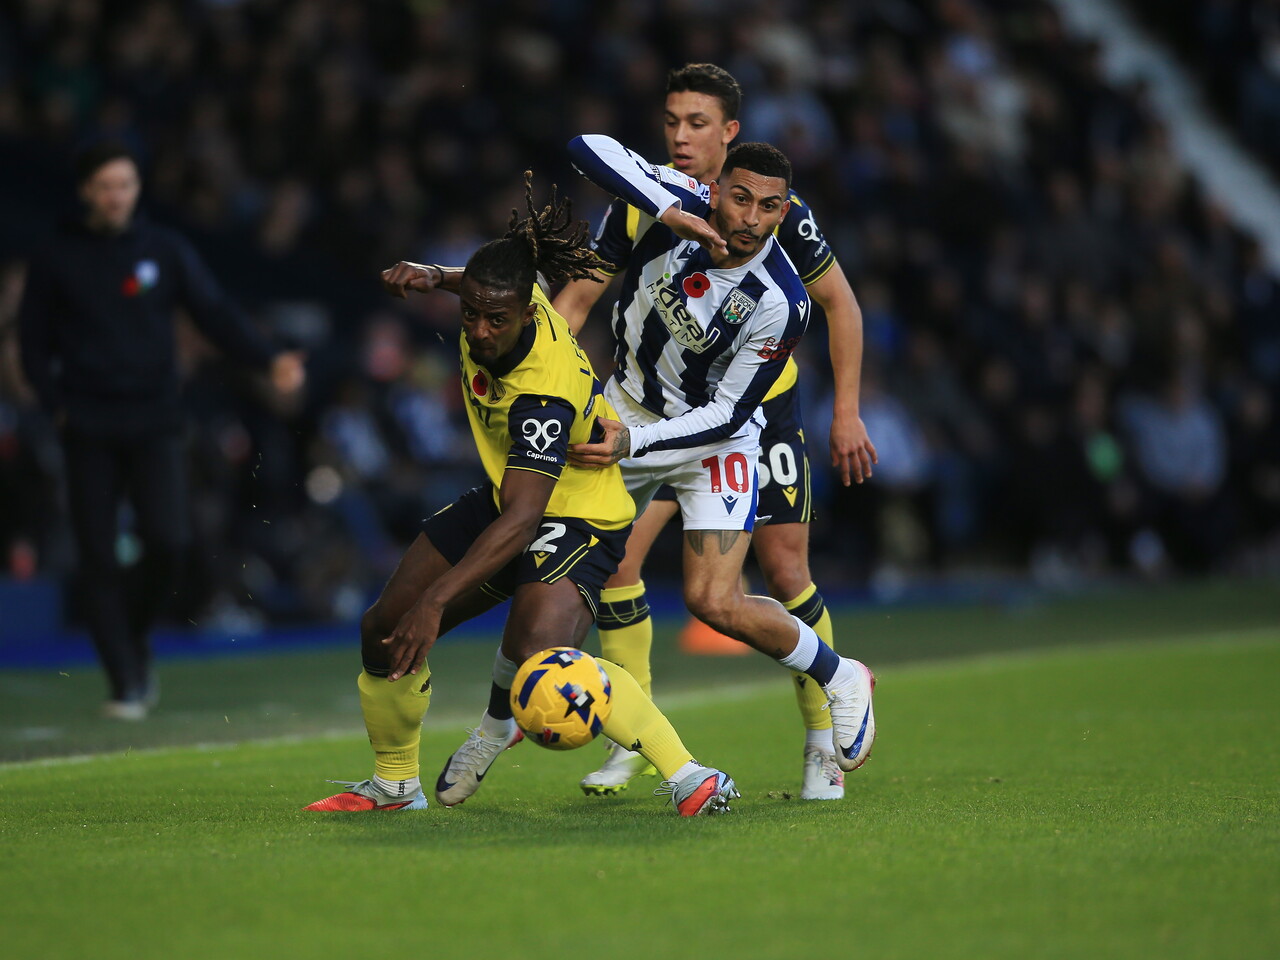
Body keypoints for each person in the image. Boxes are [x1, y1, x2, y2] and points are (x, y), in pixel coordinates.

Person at [304, 177, 738, 817]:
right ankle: (395, 785)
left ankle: (691, 776)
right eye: (470, 313)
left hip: (579, 512)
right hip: (513, 490)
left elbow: (527, 519)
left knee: (547, 661)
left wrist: (438, 602)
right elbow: (488, 282)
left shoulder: (542, 392)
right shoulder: (505, 295)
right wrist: (434, 275)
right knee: (384, 628)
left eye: (495, 319)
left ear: (529, 315)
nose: (480, 330)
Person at [554, 64, 877, 800]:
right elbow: (576, 297)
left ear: (730, 135)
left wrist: (847, 410)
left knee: (784, 573)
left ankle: (824, 737)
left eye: (697, 124)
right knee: (617, 562)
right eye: (671, 122)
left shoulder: (778, 214)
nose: (680, 136)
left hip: (754, 414)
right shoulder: (647, 200)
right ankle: (631, 739)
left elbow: (841, 306)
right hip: (651, 413)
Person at [17, 141, 305, 720]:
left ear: (137, 188)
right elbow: (32, 342)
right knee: (97, 553)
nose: (115, 196)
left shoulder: (163, 250)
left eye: (124, 184)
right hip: (88, 421)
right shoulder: (55, 256)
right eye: (104, 186)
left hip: (155, 418)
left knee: (170, 540)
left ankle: (134, 633)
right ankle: (126, 678)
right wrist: (56, 405)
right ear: (85, 192)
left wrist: (267, 357)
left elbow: (214, 312)